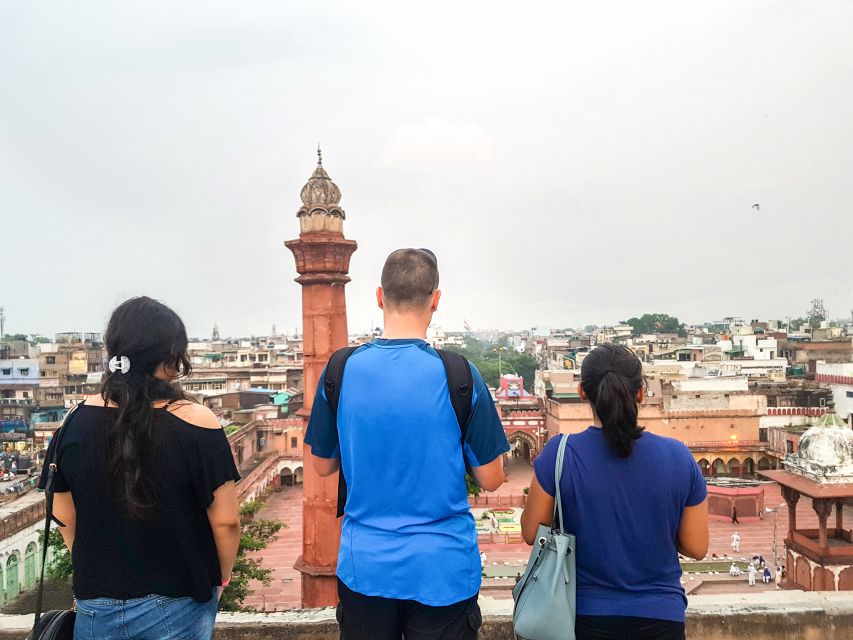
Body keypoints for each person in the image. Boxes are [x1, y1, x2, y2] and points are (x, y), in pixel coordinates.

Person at [305, 249, 509, 640]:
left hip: (365, 567)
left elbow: (322, 465)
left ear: (380, 297)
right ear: (436, 300)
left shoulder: (340, 370)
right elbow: (492, 478)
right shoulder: (459, 374)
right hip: (443, 568)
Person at [38, 297, 241, 640]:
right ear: (170, 355)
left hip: (95, 604)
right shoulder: (196, 422)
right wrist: (220, 578)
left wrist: (102, 568)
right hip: (178, 602)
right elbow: (226, 520)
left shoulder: (73, 422)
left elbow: (63, 513)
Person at [520, 343, 709, 640]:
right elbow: (696, 547)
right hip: (661, 618)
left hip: (586, 618)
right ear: (641, 392)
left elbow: (532, 532)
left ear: (583, 392)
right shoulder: (678, 456)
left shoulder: (559, 455)